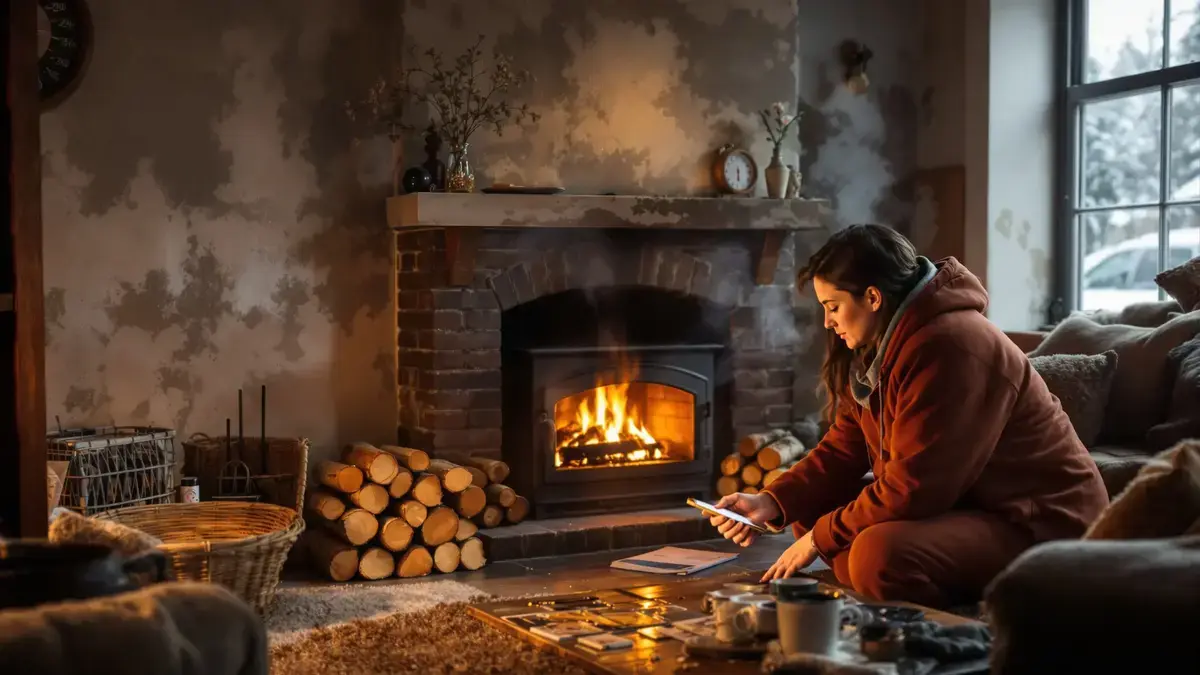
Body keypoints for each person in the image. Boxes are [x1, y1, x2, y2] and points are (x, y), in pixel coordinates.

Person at [709, 224, 1108, 609]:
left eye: (832, 307)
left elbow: (915, 488)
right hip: (967, 505)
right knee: (813, 509)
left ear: (873, 297)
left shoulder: (950, 346)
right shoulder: (882, 346)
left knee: (874, 554)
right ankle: (886, 581)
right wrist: (771, 500)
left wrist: (819, 540)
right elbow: (843, 448)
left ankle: (937, 611)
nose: (827, 322)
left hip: (1038, 523)